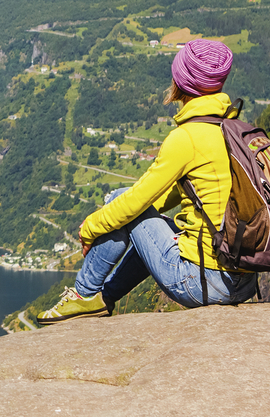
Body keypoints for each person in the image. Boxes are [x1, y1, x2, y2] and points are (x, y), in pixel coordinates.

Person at [37, 38, 258, 325]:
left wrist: (91, 228)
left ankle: (84, 294)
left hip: (202, 283)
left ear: (182, 81)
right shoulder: (235, 130)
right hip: (242, 281)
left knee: (120, 199)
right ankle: (104, 298)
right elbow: (175, 194)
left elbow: (134, 201)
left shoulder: (187, 138)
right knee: (142, 216)